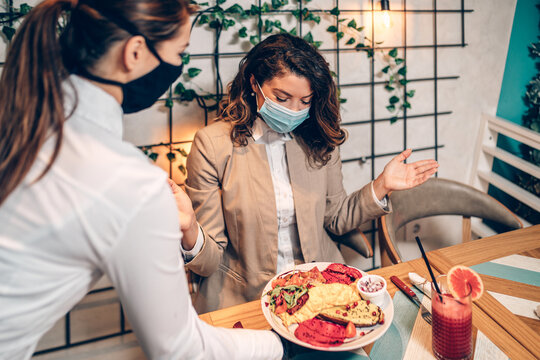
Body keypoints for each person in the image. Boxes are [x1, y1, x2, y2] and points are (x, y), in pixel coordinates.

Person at [0, 0, 283, 359]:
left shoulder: (26, 124)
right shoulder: (125, 181)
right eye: (179, 52)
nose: (178, 66)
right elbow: (180, 350)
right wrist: (283, 345)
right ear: (134, 52)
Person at [182, 33, 439, 313]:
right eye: (282, 98)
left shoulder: (318, 136)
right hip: (247, 298)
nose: (295, 110)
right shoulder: (212, 145)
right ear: (254, 83)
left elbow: (336, 218)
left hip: (319, 289)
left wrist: (381, 185)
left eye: (305, 101)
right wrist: (189, 230)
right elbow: (208, 261)